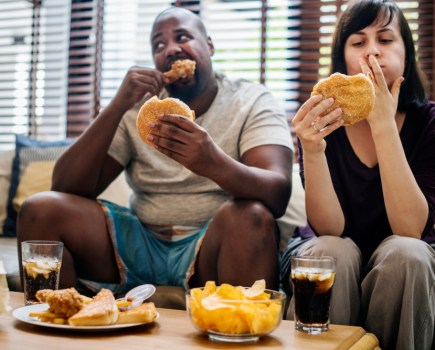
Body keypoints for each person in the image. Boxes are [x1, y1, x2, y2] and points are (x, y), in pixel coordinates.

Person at [16, 7, 294, 295]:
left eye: (182, 37)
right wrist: (117, 105)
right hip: (138, 242)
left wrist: (212, 162)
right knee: (40, 209)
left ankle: (238, 333)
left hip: (213, 246)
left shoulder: (250, 100)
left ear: (209, 45)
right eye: (159, 45)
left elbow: (277, 193)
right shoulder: (139, 107)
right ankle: (59, 329)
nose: (171, 49)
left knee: (251, 215)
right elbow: (65, 186)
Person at [280, 1, 435, 350]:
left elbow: (410, 229)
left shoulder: (428, 123)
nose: (373, 52)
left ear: (406, 56)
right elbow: (329, 228)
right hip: (330, 250)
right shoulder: (323, 121)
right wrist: (314, 150)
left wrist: (383, 126)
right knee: (330, 251)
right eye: (358, 42)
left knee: (407, 254)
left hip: (405, 261)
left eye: (385, 39)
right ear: (341, 61)